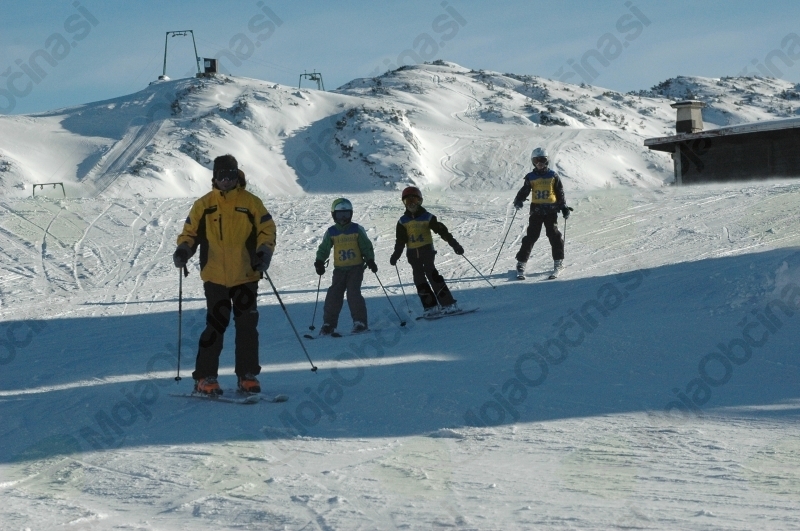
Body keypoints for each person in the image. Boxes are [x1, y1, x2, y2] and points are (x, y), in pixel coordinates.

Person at [173, 154, 276, 396]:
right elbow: (189, 233)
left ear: (236, 175)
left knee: (247, 327)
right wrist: (183, 249)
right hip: (215, 278)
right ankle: (205, 378)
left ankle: (247, 375)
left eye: (230, 175)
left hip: (246, 276)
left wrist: (263, 252)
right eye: (221, 175)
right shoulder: (204, 204)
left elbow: (267, 229)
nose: (226, 180)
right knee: (215, 327)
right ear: (215, 177)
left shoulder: (251, 202)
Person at [389, 186, 464, 317]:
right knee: (419, 279)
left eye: (414, 200)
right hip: (412, 254)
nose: (411, 204)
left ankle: (448, 304)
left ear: (420, 201)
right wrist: (396, 255)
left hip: (427, 251)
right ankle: (430, 306)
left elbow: (442, 232)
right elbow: (400, 241)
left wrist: (455, 245)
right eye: (407, 201)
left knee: (432, 275)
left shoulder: (427, 217)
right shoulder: (402, 221)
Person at [314, 198, 377, 336]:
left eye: (346, 215)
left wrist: (370, 260)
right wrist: (319, 261)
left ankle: (360, 322)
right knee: (333, 295)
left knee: (353, 294)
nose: (343, 218)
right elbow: (324, 248)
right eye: (340, 215)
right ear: (334, 215)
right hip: (339, 270)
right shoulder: (332, 232)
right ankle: (328, 324)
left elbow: (366, 246)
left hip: (356, 268)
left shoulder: (356, 229)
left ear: (351, 214)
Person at [513, 147, 571, 279]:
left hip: (551, 211)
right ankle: (521, 262)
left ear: (547, 161)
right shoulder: (530, 177)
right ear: (533, 162)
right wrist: (519, 200)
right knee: (531, 236)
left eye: (542, 160)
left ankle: (558, 262)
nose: (539, 163)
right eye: (536, 160)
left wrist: (563, 207)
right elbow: (525, 190)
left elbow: (559, 192)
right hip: (536, 211)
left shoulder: (553, 176)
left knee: (554, 235)